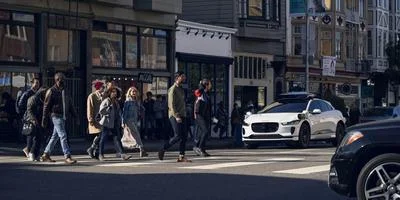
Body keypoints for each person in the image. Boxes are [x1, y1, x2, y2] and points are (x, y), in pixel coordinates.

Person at [41, 72, 77, 164]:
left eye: (64, 80)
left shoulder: (65, 90)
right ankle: (67, 156)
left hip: (63, 116)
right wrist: (44, 119)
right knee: (63, 135)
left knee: (55, 136)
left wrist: (75, 116)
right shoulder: (51, 91)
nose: (63, 82)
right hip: (56, 116)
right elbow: (46, 106)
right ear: (57, 80)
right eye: (62, 80)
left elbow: (70, 104)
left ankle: (46, 154)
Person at [158, 71, 191, 162]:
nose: (184, 78)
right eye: (182, 76)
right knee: (178, 136)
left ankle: (181, 156)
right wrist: (176, 116)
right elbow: (171, 104)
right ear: (177, 78)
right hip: (174, 115)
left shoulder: (181, 89)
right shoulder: (172, 89)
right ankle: (163, 148)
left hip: (183, 115)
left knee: (184, 136)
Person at [98, 86, 132, 161]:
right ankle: (100, 154)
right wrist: (109, 108)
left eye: (115, 92)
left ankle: (123, 154)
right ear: (109, 93)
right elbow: (101, 111)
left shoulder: (116, 102)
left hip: (115, 122)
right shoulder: (107, 101)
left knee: (117, 138)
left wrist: (121, 121)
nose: (114, 93)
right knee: (103, 138)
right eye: (113, 92)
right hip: (106, 123)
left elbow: (118, 112)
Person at [122, 86, 148, 157]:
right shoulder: (128, 101)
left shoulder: (137, 101)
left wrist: (141, 110)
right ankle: (141, 149)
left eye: (135, 91)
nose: (134, 93)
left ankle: (121, 148)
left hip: (135, 120)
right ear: (129, 93)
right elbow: (124, 112)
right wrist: (123, 122)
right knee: (136, 134)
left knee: (132, 135)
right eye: (132, 91)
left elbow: (141, 109)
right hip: (129, 120)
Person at [19, 77, 41, 158]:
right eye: (36, 83)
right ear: (32, 83)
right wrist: (24, 114)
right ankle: (28, 149)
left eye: (38, 83)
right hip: (29, 116)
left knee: (34, 133)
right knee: (30, 133)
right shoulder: (27, 93)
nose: (37, 85)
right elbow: (20, 105)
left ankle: (29, 149)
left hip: (35, 115)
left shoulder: (37, 93)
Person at [25, 87, 48, 161]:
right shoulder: (33, 98)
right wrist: (33, 120)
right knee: (35, 138)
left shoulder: (43, 99)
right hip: (33, 120)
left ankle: (36, 154)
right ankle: (32, 153)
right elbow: (29, 110)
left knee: (39, 138)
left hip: (40, 120)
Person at [193, 79, 212, 157]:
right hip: (199, 114)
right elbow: (196, 92)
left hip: (205, 115)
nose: (211, 86)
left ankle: (201, 148)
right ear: (206, 85)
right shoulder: (200, 93)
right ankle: (199, 148)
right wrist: (201, 84)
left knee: (204, 133)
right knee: (205, 131)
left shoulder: (207, 94)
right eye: (209, 84)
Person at [86, 81, 105, 159]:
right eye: (102, 87)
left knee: (101, 135)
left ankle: (95, 151)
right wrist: (90, 119)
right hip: (95, 118)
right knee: (100, 135)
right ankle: (92, 149)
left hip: (102, 119)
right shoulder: (92, 96)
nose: (103, 88)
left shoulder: (104, 96)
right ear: (98, 87)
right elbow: (90, 108)